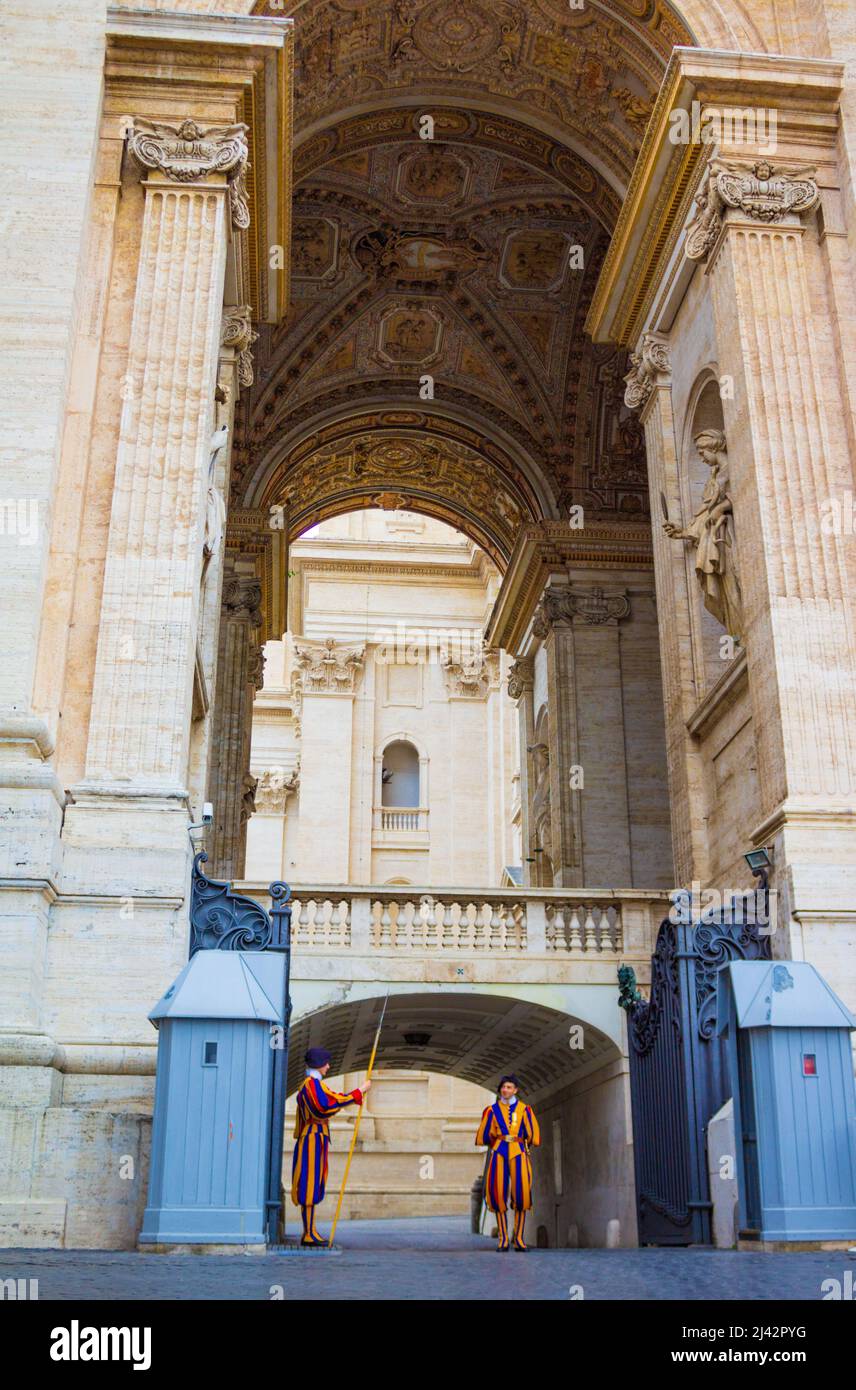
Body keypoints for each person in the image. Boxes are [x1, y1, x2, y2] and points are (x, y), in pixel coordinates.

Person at [291, 1046, 371, 1247]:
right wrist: (358, 1092)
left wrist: (353, 1095)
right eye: (325, 1062)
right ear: (319, 1064)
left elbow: (331, 1101)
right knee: (309, 1184)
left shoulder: (315, 1085)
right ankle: (308, 1233)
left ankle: (311, 1230)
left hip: (317, 1138)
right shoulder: (311, 1086)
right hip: (312, 1138)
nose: (328, 1066)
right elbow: (324, 1107)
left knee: (315, 1182)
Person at [475, 1074, 540, 1251]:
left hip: (518, 1151)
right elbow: (485, 1135)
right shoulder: (491, 1110)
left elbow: (532, 1135)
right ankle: (503, 1239)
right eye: (504, 1087)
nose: (506, 1090)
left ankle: (518, 1238)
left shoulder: (525, 1110)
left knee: (522, 1194)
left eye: (509, 1087)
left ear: (515, 1090)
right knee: (497, 1192)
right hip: (499, 1151)